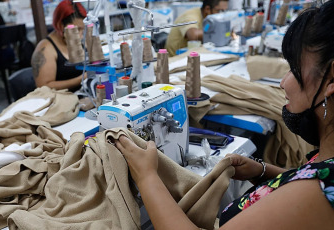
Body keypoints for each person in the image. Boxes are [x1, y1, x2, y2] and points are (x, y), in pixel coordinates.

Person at [115, 1, 334, 229]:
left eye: (293, 68)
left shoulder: (318, 191)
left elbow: (307, 191)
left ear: (331, 78)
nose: (283, 83)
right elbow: (304, 177)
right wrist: (263, 171)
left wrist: (147, 176)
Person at [31, 0, 87, 92]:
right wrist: (81, 79)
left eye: (83, 30)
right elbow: (43, 86)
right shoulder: (46, 49)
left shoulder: (80, 41)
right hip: (61, 100)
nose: (81, 35)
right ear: (60, 25)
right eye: (77, 29)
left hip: (83, 94)